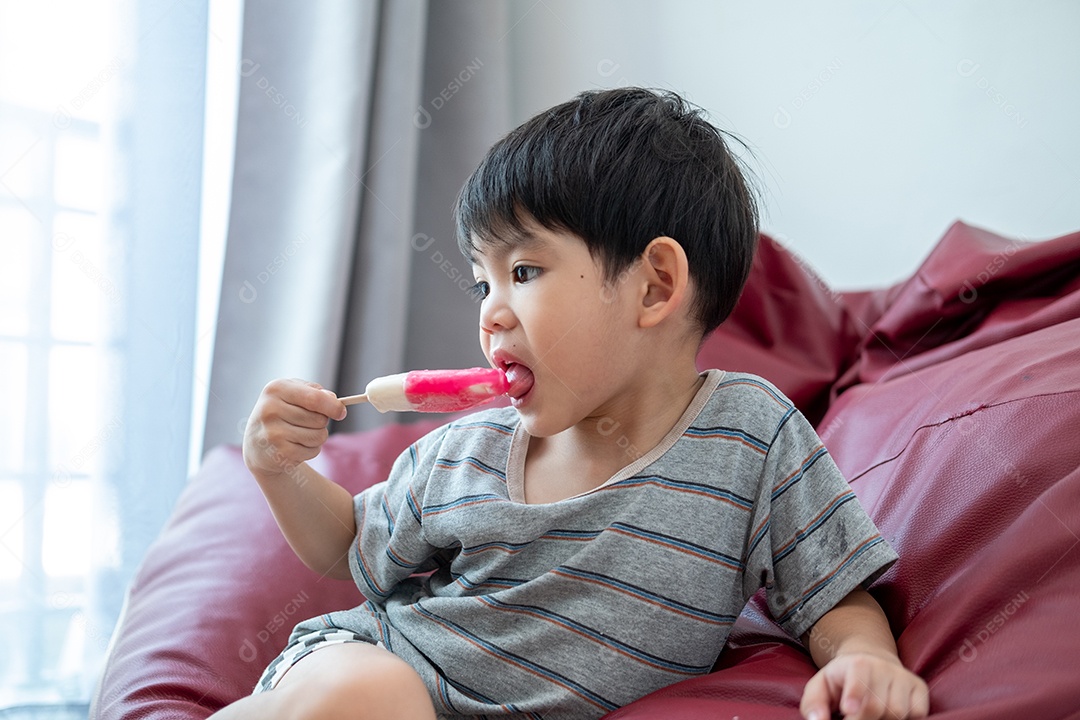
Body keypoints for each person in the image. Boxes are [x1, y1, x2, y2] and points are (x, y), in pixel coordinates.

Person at [211, 87, 929, 720]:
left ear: (654, 285)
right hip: (368, 668)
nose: (490, 313)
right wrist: (279, 468)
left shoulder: (751, 439)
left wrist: (864, 662)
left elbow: (832, 595)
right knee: (371, 699)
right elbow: (346, 547)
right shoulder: (467, 450)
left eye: (522, 270)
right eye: (480, 284)